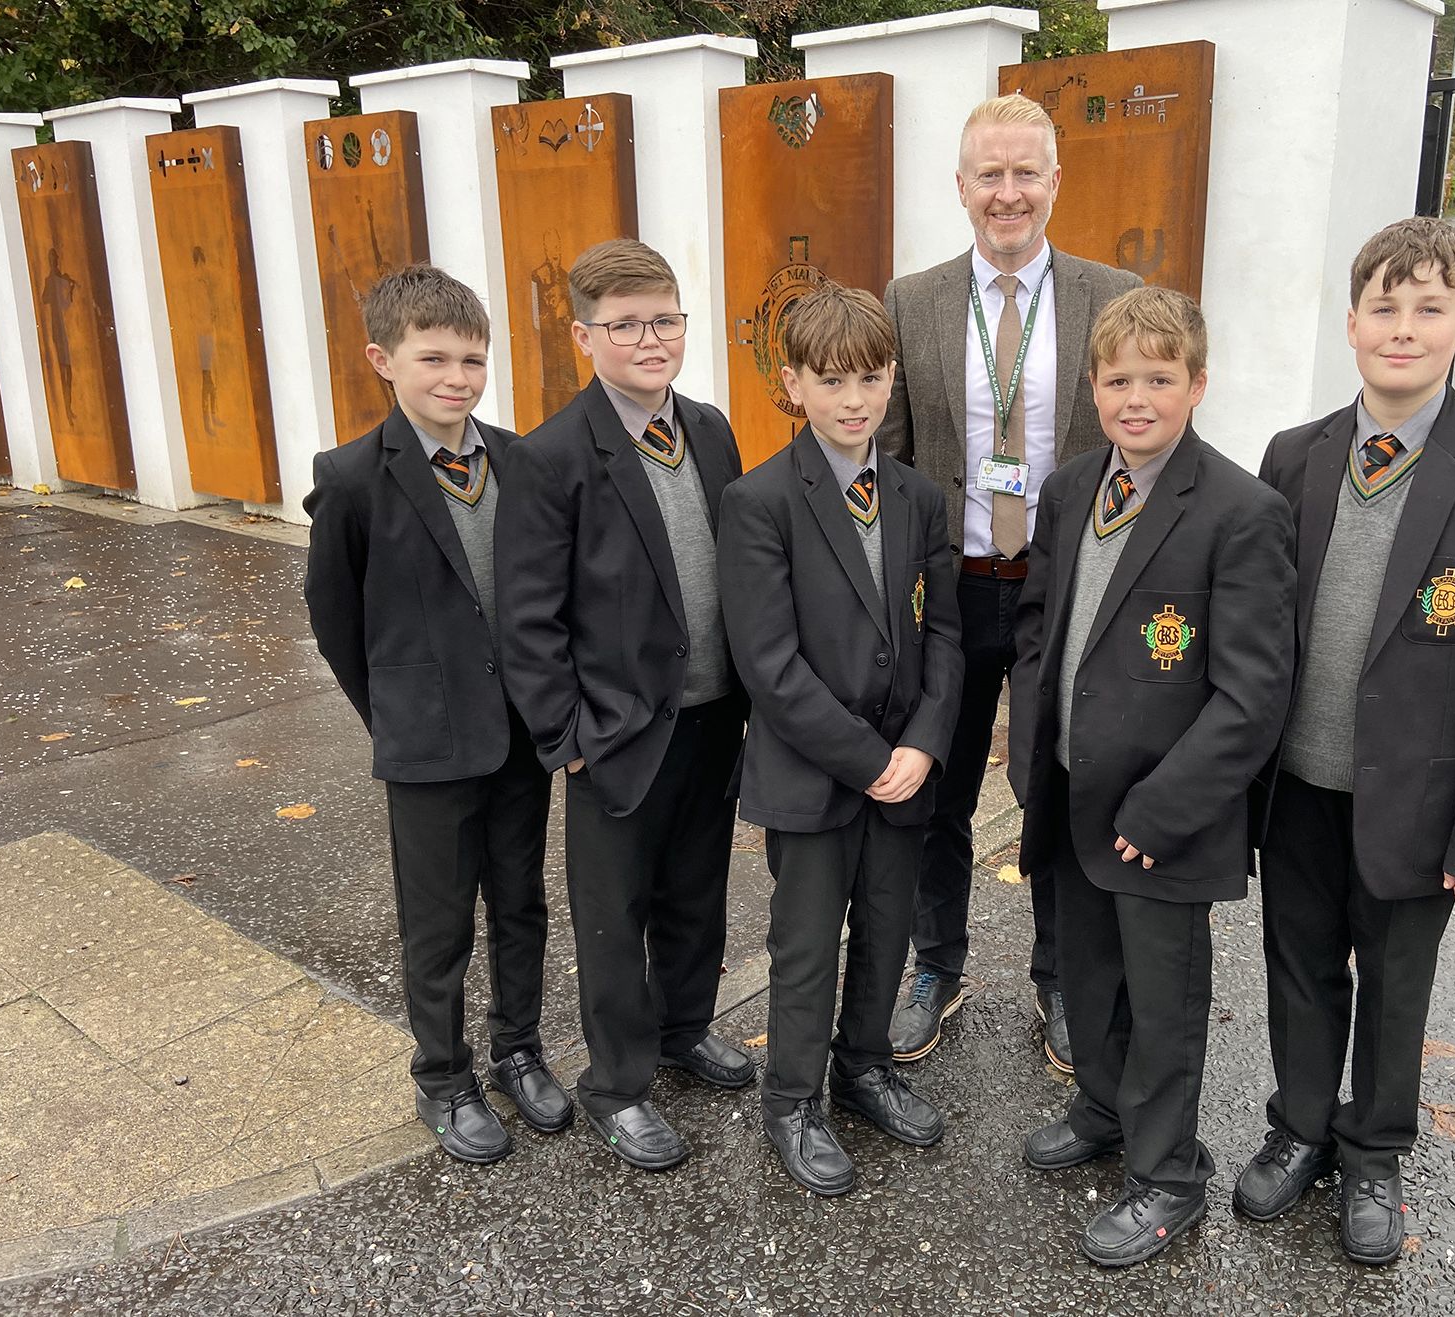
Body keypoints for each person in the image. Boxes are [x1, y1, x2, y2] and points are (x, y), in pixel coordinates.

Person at [1236, 216, 1455, 1265]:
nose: (1404, 328)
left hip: (1419, 801)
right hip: (1296, 783)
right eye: (1385, 306)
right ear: (1352, 322)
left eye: (1430, 308)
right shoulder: (1294, 457)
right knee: (1298, 965)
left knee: (1394, 979)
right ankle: (1298, 1126)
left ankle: (1373, 1148)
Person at [1008, 286, 1295, 1265]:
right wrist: (1028, 752)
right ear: (1093, 388)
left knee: (1163, 1001)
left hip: (1166, 814)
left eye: (1160, 378)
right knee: (1089, 976)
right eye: (1119, 378)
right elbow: (1039, 629)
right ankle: (1102, 1106)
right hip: (1075, 793)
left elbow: (1253, 693)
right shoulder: (1070, 490)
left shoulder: (1241, 511)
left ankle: (1169, 1174)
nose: (1138, 397)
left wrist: (1166, 808)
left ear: (1198, 385)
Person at [878, 93, 1142, 1073]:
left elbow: (1133, 447)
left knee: (1056, 788)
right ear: (960, 187)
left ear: (1056, 182)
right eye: (989, 174)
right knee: (934, 791)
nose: (1008, 192)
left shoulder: (1115, 296)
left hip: (1060, 592)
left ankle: (1062, 978)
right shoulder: (913, 301)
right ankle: (932, 966)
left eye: (1026, 171)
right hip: (950, 590)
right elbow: (898, 461)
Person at [495, 238, 753, 1173]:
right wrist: (563, 737)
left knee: (697, 891)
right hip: (615, 731)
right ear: (584, 335)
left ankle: (685, 1027)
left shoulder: (713, 428)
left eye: (666, 319)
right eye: (627, 324)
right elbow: (528, 617)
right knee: (615, 912)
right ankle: (617, 1082)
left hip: (714, 714)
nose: (651, 338)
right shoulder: (552, 455)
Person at [303, 263, 565, 1165]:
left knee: (522, 901)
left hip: (520, 734)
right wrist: (395, 714)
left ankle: (519, 1048)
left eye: (474, 360)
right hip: (426, 742)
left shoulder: (522, 461)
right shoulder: (349, 479)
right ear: (384, 359)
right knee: (439, 919)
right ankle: (443, 1074)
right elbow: (336, 619)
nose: (457, 378)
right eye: (435, 359)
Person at [717, 284, 964, 1195]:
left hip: (907, 765)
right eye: (832, 380)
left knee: (888, 926)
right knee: (809, 939)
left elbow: (943, 632)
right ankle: (793, 1099)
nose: (854, 398)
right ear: (793, 383)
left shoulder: (915, 495)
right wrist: (868, 763)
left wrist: (925, 746)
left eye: (869, 377)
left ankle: (864, 1068)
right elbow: (770, 663)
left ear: (892, 377)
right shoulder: (761, 501)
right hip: (819, 773)